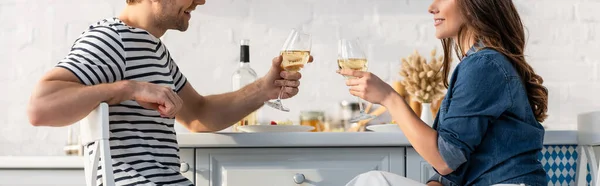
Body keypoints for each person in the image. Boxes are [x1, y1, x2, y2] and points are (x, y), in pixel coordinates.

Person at [27, 0, 312, 185]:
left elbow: (200, 115)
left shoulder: (152, 48)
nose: (200, 1)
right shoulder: (111, 39)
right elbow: (41, 107)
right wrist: (128, 88)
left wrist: (264, 88)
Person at [341, 0, 548, 186]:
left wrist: (389, 98)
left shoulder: (484, 65)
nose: (432, 7)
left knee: (372, 182)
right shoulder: (481, 63)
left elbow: (445, 159)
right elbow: (460, 154)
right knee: (371, 181)